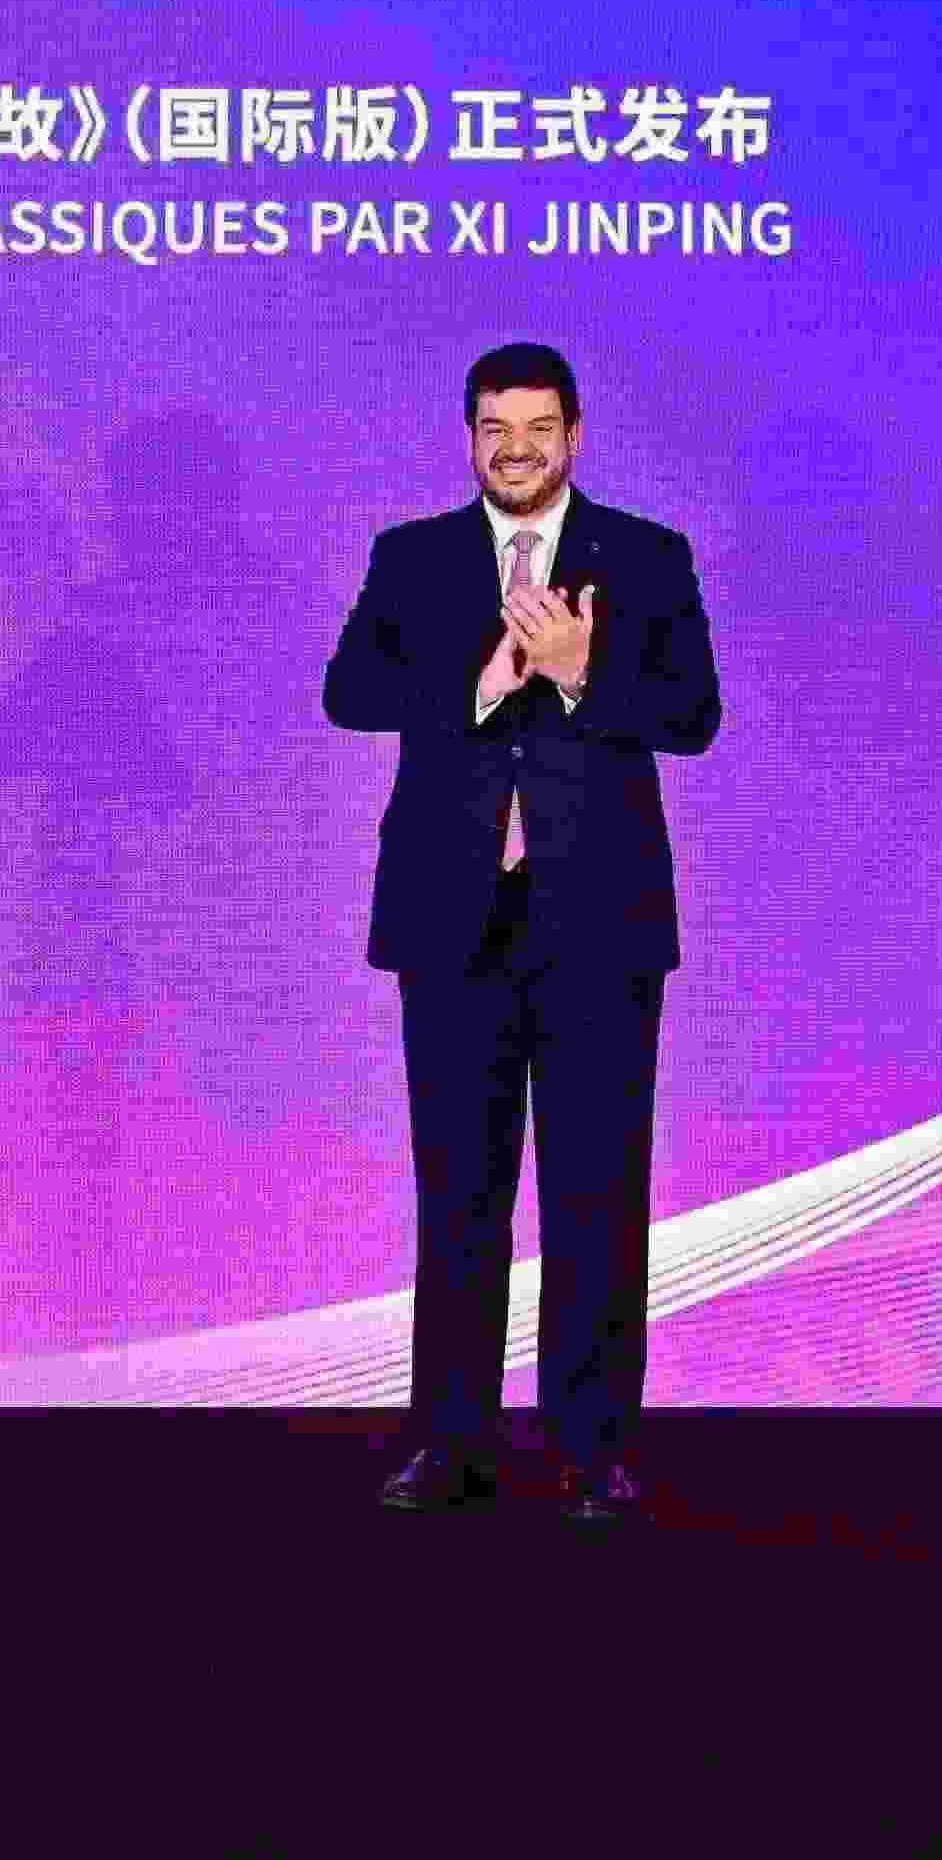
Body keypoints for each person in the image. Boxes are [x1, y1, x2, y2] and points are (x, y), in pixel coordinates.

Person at [322, 345, 722, 1521]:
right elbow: (348, 689)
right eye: (494, 427)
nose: (514, 448)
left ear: (573, 435)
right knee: (459, 1193)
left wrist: (585, 671)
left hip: (596, 920)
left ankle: (592, 1451)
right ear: (468, 436)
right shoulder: (411, 556)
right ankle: (446, 1443)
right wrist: (485, 682)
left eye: (537, 427)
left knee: (596, 1191)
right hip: (452, 918)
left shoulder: (646, 554)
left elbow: (693, 712)